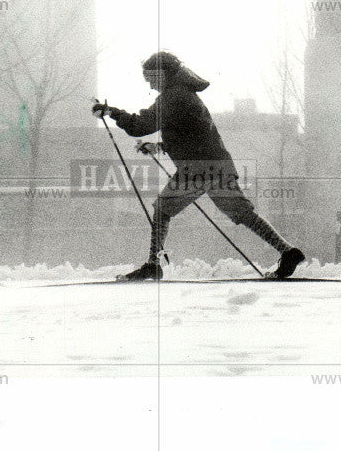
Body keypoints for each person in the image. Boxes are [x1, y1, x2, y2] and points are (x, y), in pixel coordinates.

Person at [92, 51, 305, 281]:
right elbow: (192, 137)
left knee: (162, 209)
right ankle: (288, 251)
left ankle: (153, 264)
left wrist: (111, 112)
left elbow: (139, 125)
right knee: (244, 214)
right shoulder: (185, 94)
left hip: (197, 170)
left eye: (151, 79)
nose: (151, 86)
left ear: (161, 74)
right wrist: (159, 147)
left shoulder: (173, 97)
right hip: (217, 167)